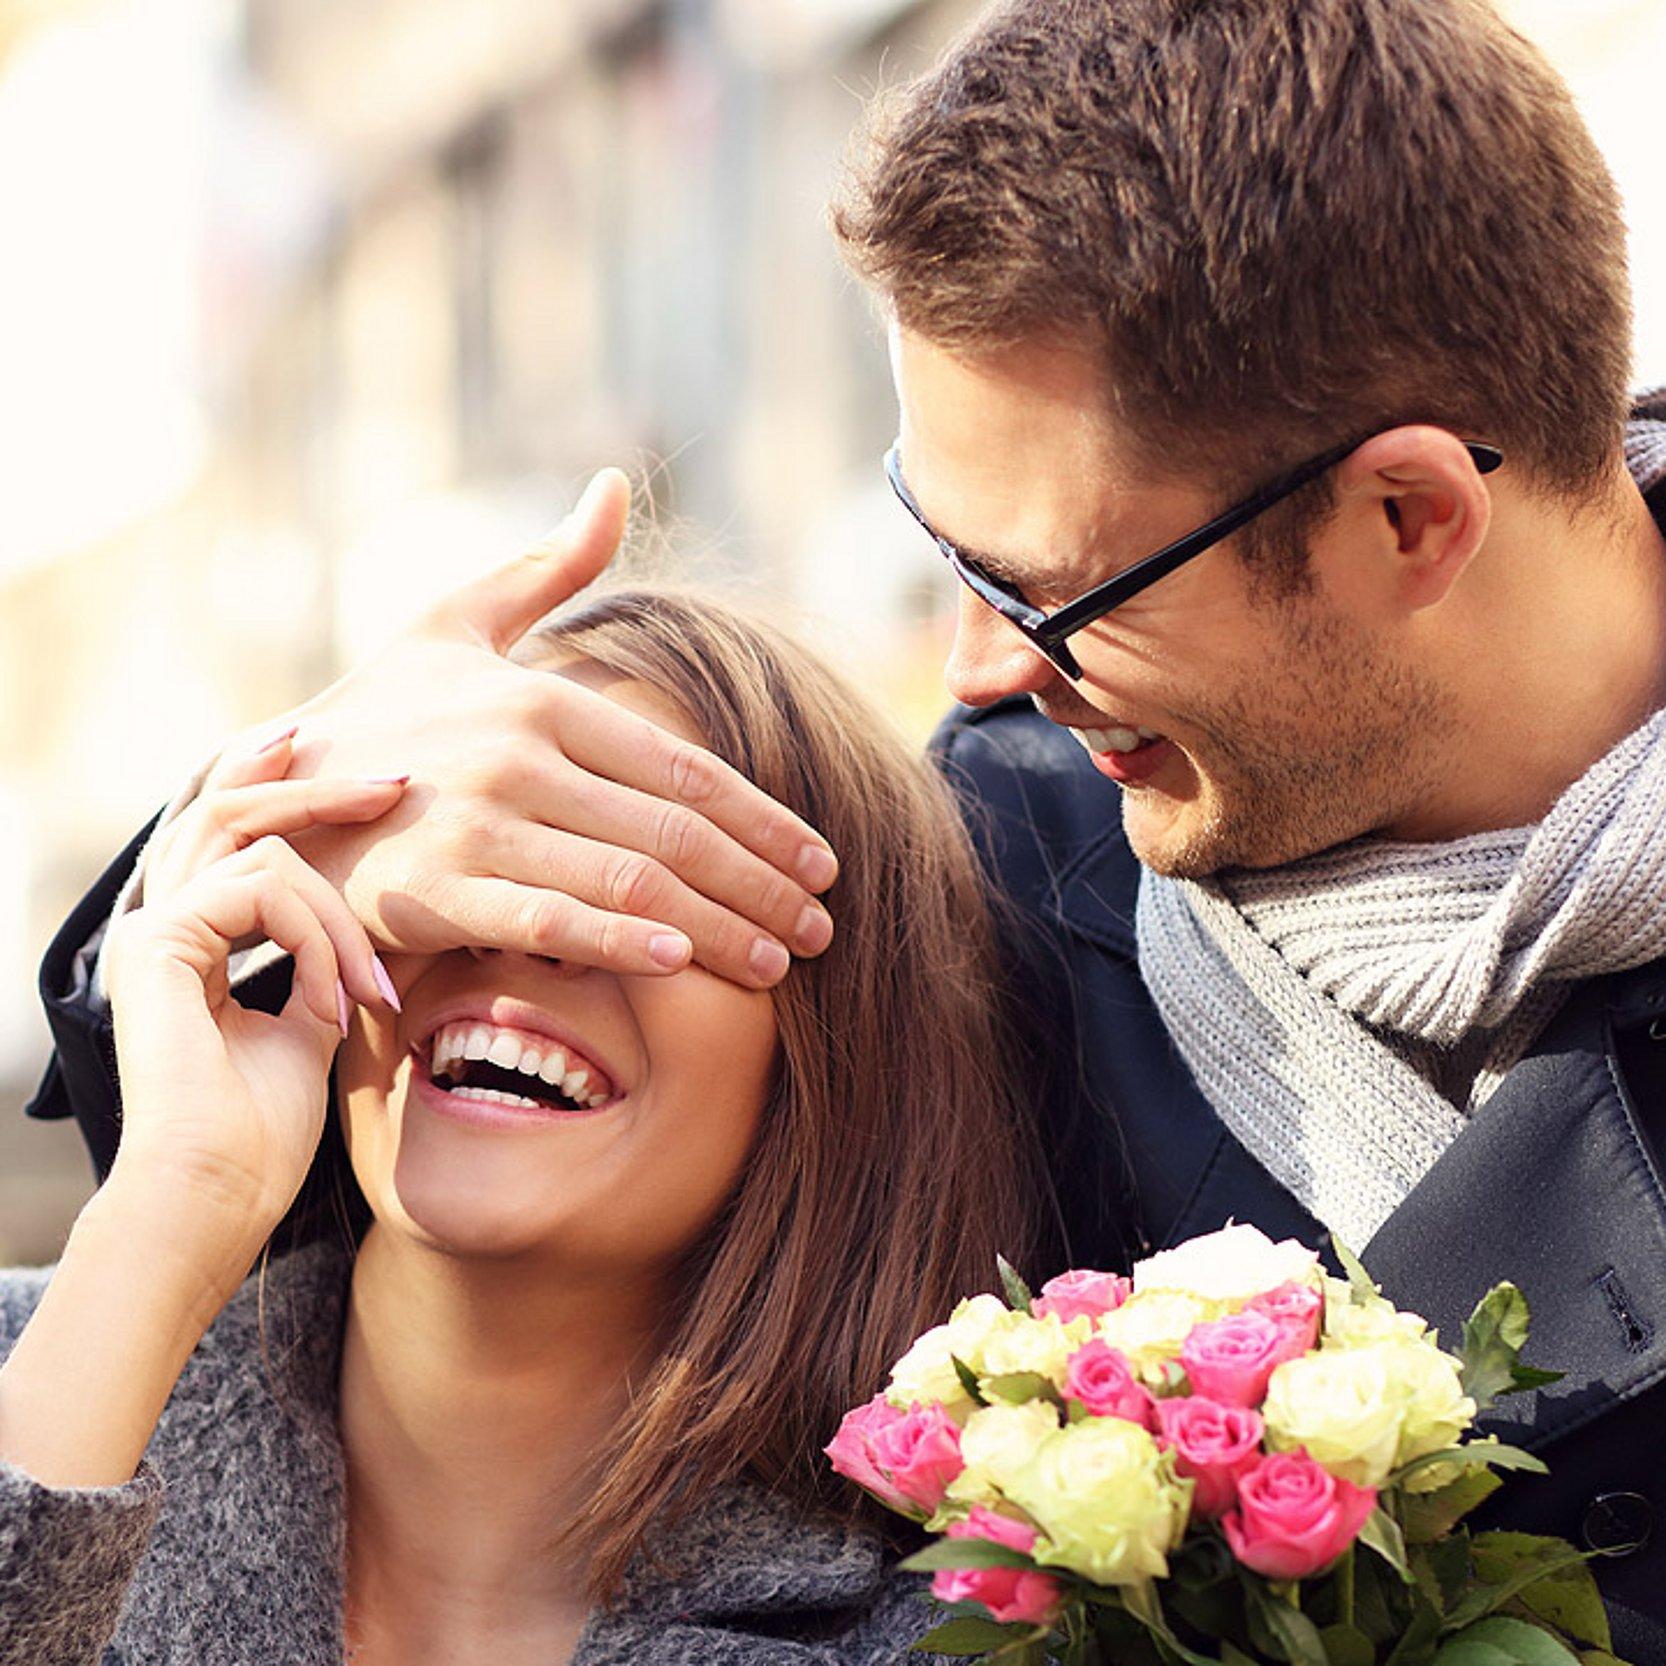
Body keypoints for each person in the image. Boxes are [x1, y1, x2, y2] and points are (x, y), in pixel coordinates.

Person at [21, 0, 1666, 1654]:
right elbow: (380, 1251)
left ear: (1409, 518)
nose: (968, 671)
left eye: (1051, 591)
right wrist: (324, 815)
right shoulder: (1001, 853)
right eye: (938, 548)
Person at [1, 588, 1043, 1664]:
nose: (528, 924)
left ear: (841, 1044)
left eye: (650, 875)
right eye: (474, 852)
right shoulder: (42, 1377)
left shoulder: (965, 1630)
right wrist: (173, 1202)